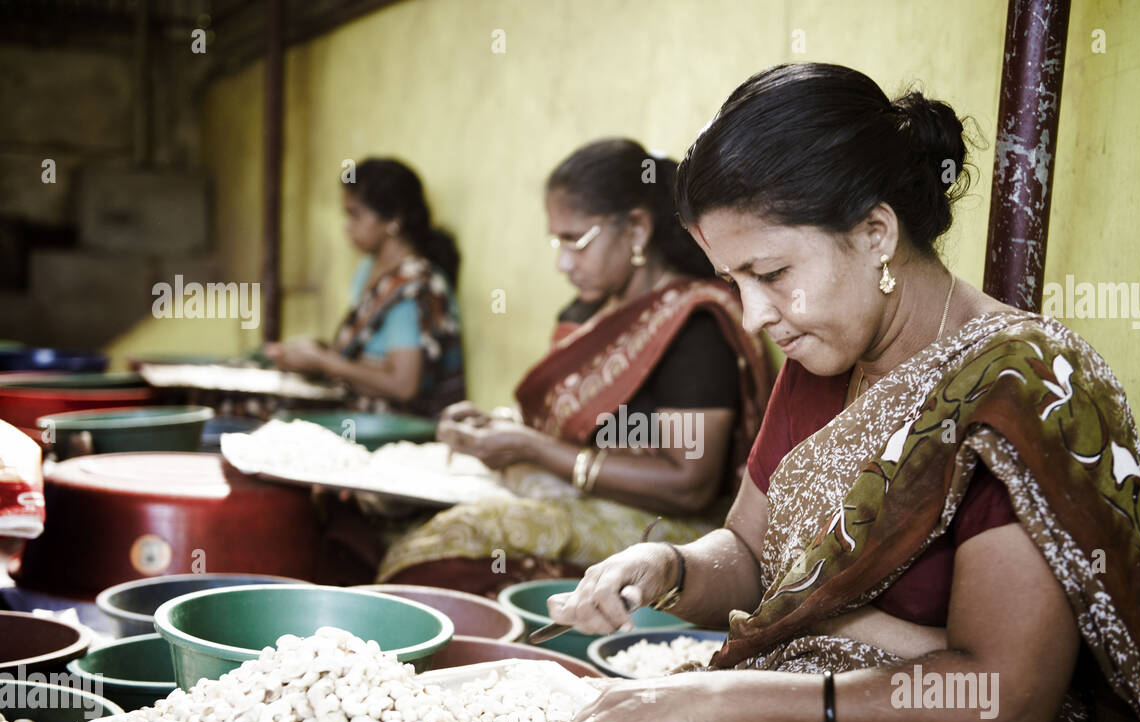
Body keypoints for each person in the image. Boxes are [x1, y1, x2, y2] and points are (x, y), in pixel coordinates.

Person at [544, 63, 1140, 722]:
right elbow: (749, 556)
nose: (754, 314)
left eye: (772, 274)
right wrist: (670, 564)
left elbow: (995, 695)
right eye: (732, 281)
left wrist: (711, 695)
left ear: (877, 232)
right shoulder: (817, 359)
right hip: (781, 708)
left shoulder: (1020, 389)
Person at [372, 139, 773, 594]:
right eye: (556, 240)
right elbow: (568, 427)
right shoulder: (586, 315)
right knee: (377, 501)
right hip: (569, 492)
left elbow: (688, 485)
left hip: (667, 529)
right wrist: (497, 428)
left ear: (637, 229)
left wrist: (533, 449)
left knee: (448, 547)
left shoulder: (693, 325)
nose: (563, 263)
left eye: (575, 241)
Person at [265, 158, 464, 417]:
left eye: (355, 214)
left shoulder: (416, 288)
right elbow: (365, 358)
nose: (347, 227)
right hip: (360, 403)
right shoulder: (368, 271)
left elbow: (403, 386)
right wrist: (314, 354)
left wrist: (325, 362)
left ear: (394, 219)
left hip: (396, 421)